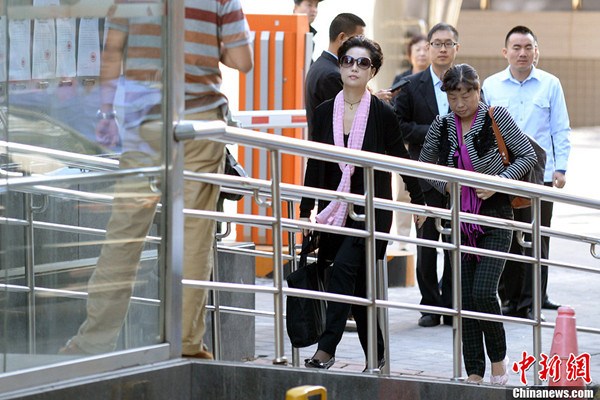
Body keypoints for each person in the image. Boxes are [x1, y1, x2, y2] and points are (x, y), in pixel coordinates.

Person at [59, 0, 253, 358]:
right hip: (197, 126)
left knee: (124, 233)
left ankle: (92, 341)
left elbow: (113, 50)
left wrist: (106, 112)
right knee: (194, 235)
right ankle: (186, 343)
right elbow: (243, 61)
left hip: (144, 124)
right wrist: (209, 45)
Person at [298, 35, 426, 370]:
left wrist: (419, 201)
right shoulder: (327, 111)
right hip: (335, 209)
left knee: (343, 270)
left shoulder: (382, 114)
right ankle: (378, 355)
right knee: (357, 285)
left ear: (373, 72)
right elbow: (316, 162)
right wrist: (304, 210)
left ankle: (326, 349)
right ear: (340, 66)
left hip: (370, 212)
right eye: (348, 61)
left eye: (363, 62)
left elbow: (401, 159)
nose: (354, 67)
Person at [419, 63, 537, 384]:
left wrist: (498, 181)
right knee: (466, 300)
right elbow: (423, 165)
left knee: (484, 292)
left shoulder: (495, 118)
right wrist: (447, 187)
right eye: (454, 96)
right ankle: (474, 370)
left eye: (466, 94)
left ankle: (498, 358)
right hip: (460, 220)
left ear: (478, 90)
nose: (460, 103)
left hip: (496, 216)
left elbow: (527, 157)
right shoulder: (442, 125)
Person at [482, 25, 570, 321]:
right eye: (516, 48)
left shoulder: (550, 84)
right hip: (503, 174)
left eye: (528, 47)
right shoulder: (492, 85)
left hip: (539, 175)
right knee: (506, 235)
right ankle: (509, 299)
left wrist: (561, 168)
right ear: (505, 52)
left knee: (536, 238)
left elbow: (560, 127)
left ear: (536, 52)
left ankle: (533, 301)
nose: (522, 53)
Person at [394, 22, 459, 328]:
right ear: (429, 48)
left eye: (448, 43)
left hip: (460, 175)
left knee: (457, 240)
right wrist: (435, 131)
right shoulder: (411, 85)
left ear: (456, 48)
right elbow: (399, 124)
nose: (442, 49)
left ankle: (450, 302)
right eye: (437, 43)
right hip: (424, 171)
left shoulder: (468, 82)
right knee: (428, 240)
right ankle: (430, 304)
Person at [389, 33, 430, 250]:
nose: (422, 54)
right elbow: (396, 119)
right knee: (403, 193)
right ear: (410, 55)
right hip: (405, 147)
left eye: (426, 49)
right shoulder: (402, 81)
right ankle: (403, 237)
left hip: (432, 151)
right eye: (418, 50)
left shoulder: (440, 81)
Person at [304, 13, 365, 140]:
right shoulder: (332, 75)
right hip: (331, 153)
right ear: (342, 37)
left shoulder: (321, 65)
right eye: (358, 40)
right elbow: (348, 119)